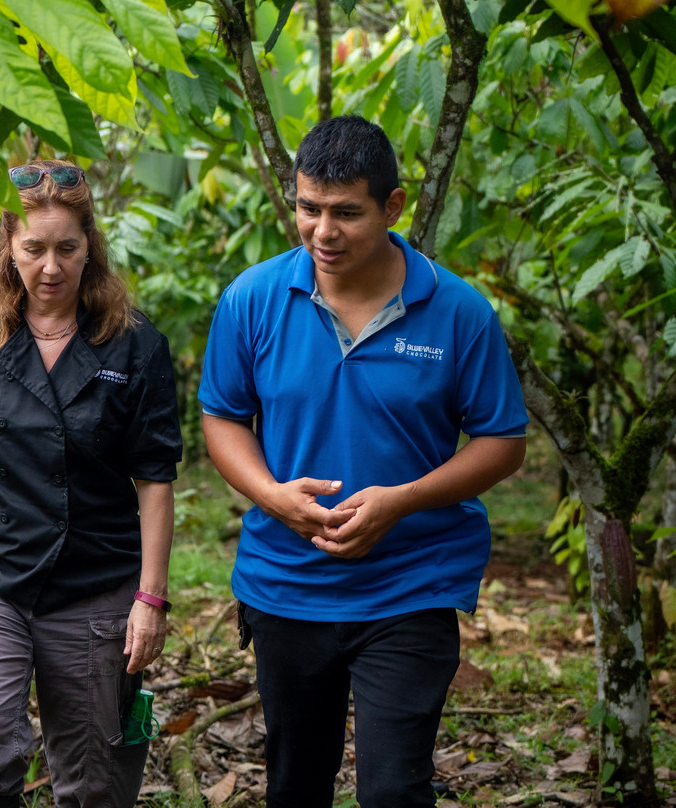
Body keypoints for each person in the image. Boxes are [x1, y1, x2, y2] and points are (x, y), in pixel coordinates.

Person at [198, 115, 529, 808]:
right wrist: (271, 496)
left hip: (413, 582)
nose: (323, 232)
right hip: (286, 583)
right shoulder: (252, 299)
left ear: (394, 206)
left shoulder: (459, 312)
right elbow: (223, 418)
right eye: (308, 209)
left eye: (347, 213)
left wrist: (400, 500)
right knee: (296, 782)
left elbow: (503, 442)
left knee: (394, 788)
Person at [0, 159, 183, 808]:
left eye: (67, 248)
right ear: (7, 248)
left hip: (95, 578)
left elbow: (154, 478)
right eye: (33, 249)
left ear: (89, 247)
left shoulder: (134, 343)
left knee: (97, 780)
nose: (50, 267)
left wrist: (150, 600)